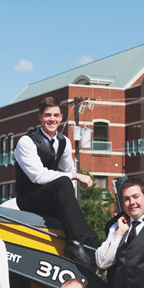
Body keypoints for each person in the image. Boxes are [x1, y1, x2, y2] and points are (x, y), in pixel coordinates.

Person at [14, 96, 99, 266]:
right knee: (63, 181)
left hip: (51, 197)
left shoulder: (63, 142)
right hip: (28, 197)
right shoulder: (27, 141)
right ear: (40, 117)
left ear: (61, 117)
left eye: (55, 115)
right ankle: (74, 244)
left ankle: (90, 253)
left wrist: (70, 204)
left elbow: (69, 170)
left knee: (88, 231)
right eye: (47, 115)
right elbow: (38, 176)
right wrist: (74, 176)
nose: (51, 119)